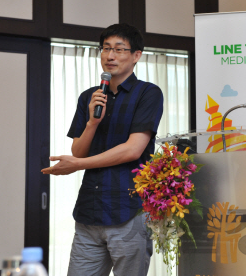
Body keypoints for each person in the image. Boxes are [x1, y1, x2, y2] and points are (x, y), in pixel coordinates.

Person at [41, 23, 163, 276]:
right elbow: (79, 151)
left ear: (136, 55)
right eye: (105, 49)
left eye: (119, 49)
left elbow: (133, 150)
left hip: (128, 210)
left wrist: (76, 165)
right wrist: (92, 123)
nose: (110, 56)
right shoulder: (89, 97)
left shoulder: (148, 94)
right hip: (89, 211)